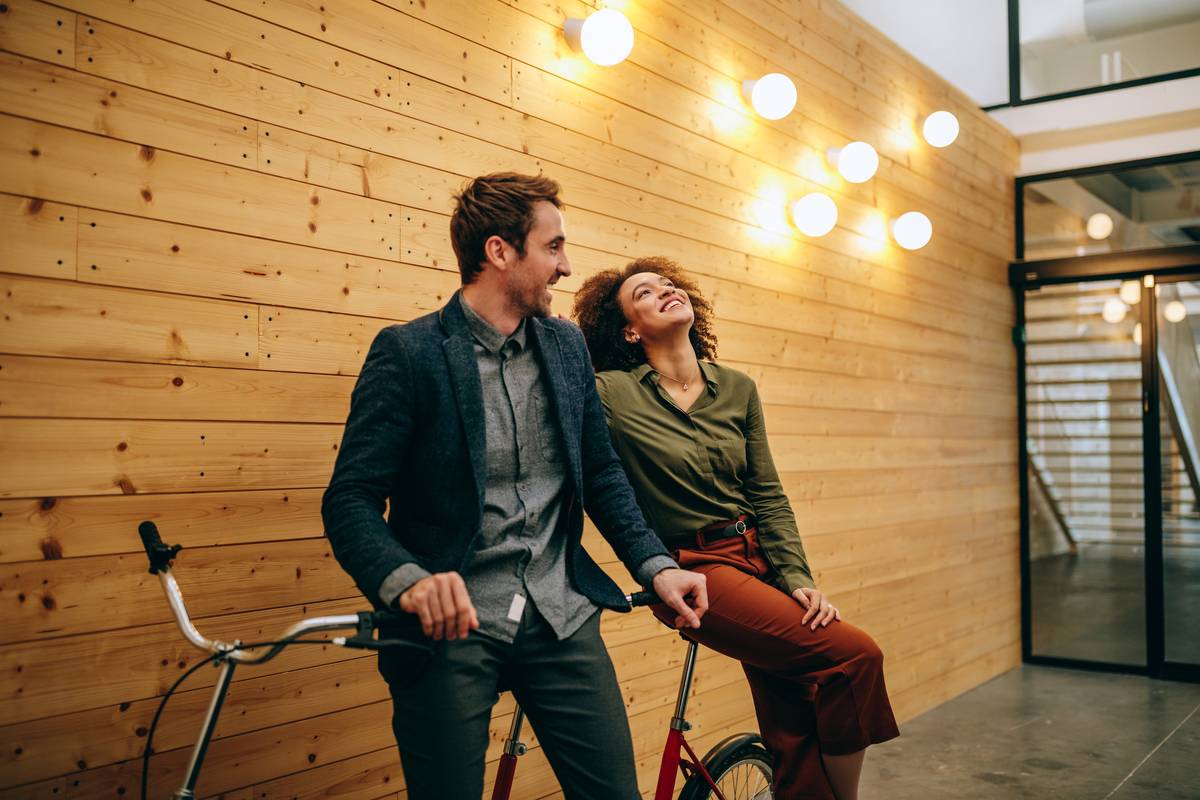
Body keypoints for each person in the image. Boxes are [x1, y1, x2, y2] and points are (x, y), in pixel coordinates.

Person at [321, 174, 708, 799]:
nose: (566, 266)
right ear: (500, 252)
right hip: (452, 628)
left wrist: (655, 565)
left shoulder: (565, 346)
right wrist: (409, 582)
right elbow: (350, 500)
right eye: (552, 247)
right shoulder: (409, 353)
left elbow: (602, 472)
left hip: (562, 614)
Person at [573, 255, 899, 800]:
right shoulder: (609, 393)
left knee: (792, 725)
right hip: (695, 571)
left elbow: (767, 493)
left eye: (670, 284)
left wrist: (796, 576)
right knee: (854, 656)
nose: (665, 291)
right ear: (629, 330)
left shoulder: (737, 387)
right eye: (645, 294)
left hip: (760, 559)